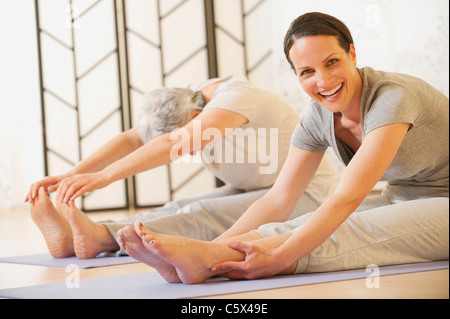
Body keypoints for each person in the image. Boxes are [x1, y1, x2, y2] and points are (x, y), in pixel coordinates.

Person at [116, 12, 449, 284]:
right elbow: (278, 199)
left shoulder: (392, 97)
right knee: (297, 224)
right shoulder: (319, 117)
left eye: (332, 62)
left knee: (348, 228)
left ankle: (211, 262)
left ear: (352, 53)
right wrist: (209, 245)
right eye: (307, 71)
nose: (323, 80)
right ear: (296, 75)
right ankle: (208, 257)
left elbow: (347, 198)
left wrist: (280, 258)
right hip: (401, 196)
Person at [25, 75, 335, 259]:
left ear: (195, 119)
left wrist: (104, 177)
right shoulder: (187, 100)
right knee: (180, 205)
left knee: (201, 215)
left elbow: (172, 145)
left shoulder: (238, 98)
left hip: (303, 194)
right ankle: (87, 236)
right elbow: (133, 139)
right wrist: (73, 174)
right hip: (256, 186)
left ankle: (101, 238)